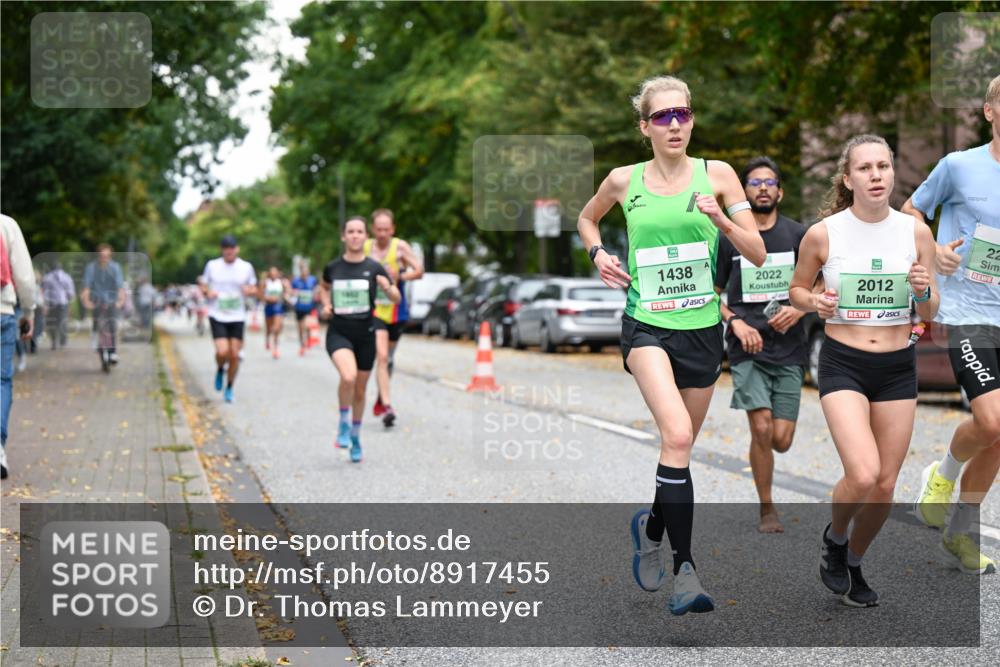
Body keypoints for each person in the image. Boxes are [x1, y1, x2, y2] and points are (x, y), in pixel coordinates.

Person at [577, 75, 766, 616]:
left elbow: (754, 253)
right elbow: (587, 219)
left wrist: (719, 217)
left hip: (703, 330)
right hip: (647, 325)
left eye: (682, 114)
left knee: (675, 452)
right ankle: (685, 571)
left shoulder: (720, 176)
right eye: (663, 116)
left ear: (692, 119)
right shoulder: (622, 180)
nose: (675, 123)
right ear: (646, 127)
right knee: (678, 434)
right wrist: (598, 254)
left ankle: (652, 525)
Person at [789, 134, 939, 607]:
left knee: (886, 486)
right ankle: (834, 539)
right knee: (863, 473)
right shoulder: (824, 234)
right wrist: (815, 301)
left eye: (883, 166)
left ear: (893, 172)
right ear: (848, 178)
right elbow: (797, 290)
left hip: (896, 366)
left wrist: (921, 289)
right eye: (865, 168)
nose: (876, 176)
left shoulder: (915, 233)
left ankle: (853, 561)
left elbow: (930, 311)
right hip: (844, 363)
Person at [904, 74, 1000, 575]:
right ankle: (941, 475)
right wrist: (935, 250)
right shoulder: (959, 166)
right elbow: (911, 212)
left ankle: (959, 534)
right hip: (968, 313)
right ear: (989, 111)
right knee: (992, 421)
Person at [715, 156, 808, 533]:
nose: (763, 188)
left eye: (770, 182)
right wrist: (735, 323)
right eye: (755, 183)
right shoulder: (729, 240)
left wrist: (799, 311)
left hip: (789, 348)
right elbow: (711, 293)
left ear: (780, 191)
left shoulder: (799, 236)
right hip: (747, 348)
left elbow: (818, 286)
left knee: (781, 439)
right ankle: (767, 507)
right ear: (744, 192)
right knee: (762, 428)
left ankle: (767, 468)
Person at [320, 216, 401, 463]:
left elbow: (396, 298)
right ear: (344, 237)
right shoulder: (333, 267)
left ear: (366, 237)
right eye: (350, 231)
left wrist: (387, 287)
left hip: (366, 335)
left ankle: (355, 435)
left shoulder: (374, 268)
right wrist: (325, 305)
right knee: (348, 376)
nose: (355, 235)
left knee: (360, 390)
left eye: (359, 232)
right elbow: (323, 287)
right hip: (339, 332)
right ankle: (343, 423)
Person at [364, 208, 424, 427]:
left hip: (397, 309)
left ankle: (382, 396)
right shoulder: (366, 247)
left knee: (388, 358)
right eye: (378, 229)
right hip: (375, 309)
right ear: (373, 229)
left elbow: (419, 270)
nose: (382, 234)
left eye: (386, 229)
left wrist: (401, 275)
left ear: (393, 229)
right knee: (380, 355)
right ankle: (388, 405)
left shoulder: (400, 247)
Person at [1, 214, 37, 480]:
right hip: (2, 312)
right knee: (2, 381)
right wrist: (29, 311)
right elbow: (24, 275)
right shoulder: (7, 224)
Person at [200, 235, 257, 402]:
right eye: (226, 247)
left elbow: (254, 287)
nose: (229, 251)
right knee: (222, 351)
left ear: (237, 249)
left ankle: (230, 386)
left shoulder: (246, 267)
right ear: (222, 249)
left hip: (237, 315)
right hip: (217, 313)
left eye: (231, 247)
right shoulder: (212, 265)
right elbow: (203, 284)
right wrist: (207, 292)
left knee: (234, 354)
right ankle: (219, 368)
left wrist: (249, 291)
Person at [81, 243, 126, 367]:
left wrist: (120, 301)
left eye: (107, 256)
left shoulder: (115, 267)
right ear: (98, 255)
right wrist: (86, 301)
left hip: (111, 300)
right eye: (102, 255)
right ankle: (95, 338)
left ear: (110, 255)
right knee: (96, 322)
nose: (104, 258)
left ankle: (113, 352)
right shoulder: (91, 267)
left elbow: (120, 287)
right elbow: (87, 286)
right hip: (97, 299)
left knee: (112, 325)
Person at [42, 262, 75, 349]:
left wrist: (45, 305)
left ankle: (55, 340)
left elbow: (45, 293)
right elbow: (70, 293)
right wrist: (70, 304)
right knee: (62, 322)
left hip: (52, 304)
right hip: (62, 303)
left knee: (52, 323)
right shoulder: (67, 277)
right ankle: (62, 341)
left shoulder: (47, 278)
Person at [260, 266, 289, 359]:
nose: (273, 275)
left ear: (277, 274)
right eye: (271, 273)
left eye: (275, 273)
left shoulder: (281, 282)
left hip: (278, 306)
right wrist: (267, 298)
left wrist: (285, 295)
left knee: (276, 328)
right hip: (269, 306)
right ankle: (267, 338)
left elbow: (288, 291)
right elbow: (260, 294)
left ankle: (275, 348)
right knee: (269, 328)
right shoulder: (265, 282)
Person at [291, 263, 319, 355]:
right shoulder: (295, 281)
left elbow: (317, 290)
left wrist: (316, 294)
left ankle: (307, 340)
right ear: (301, 272)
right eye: (303, 272)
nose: (305, 273)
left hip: (310, 307)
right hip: (299, 307)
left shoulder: (313, 280)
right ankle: (302, 345)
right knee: (300, 327)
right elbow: (291, 292)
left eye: (306, 272)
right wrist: (293, 294)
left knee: (307, 325)